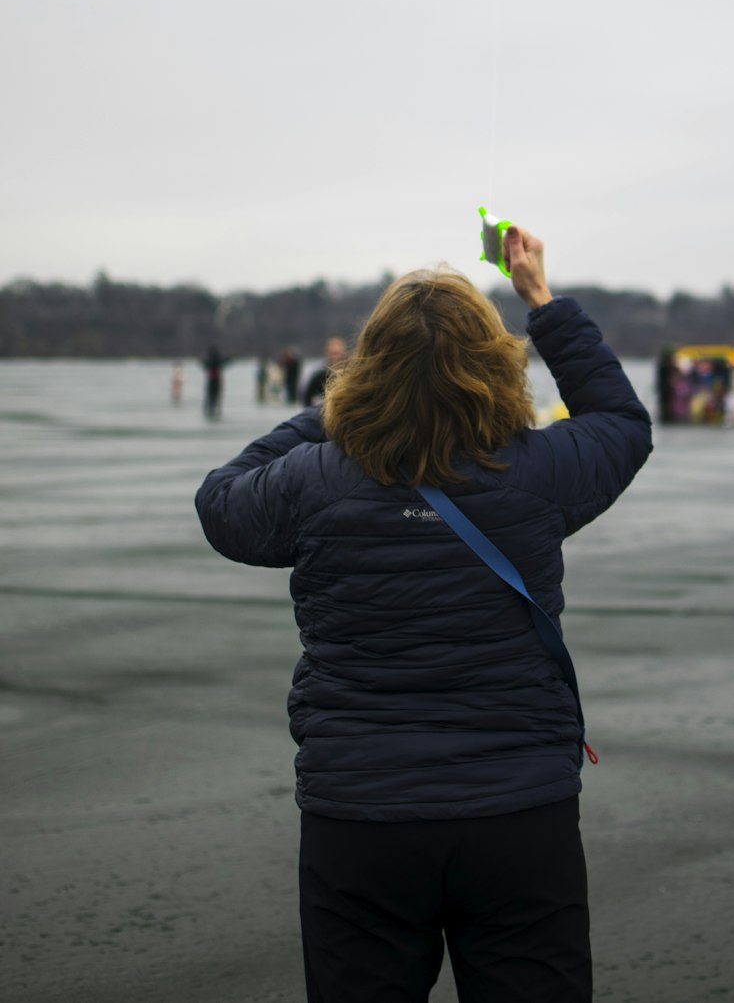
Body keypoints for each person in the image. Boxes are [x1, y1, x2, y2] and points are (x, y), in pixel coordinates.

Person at [195, 227, 652, 1003]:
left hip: (362, 813)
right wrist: (540, 298)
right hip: (520, 810)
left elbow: (223, 499)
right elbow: (621, 421)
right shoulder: (535, 473)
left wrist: (344, 405)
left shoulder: (316, 482)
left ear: (368, 370)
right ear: (493, 366)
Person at [301, 335, 347, 406]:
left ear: (343, 353)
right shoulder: (318, 378)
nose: (335, 357)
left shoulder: (349, 376)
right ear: (327, 353)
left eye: (337, 353)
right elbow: (307, 400)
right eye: (332, 353)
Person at [200, 346, 228, 419]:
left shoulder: (210, 360)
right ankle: (214, 409)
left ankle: (210, 409)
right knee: (215, 396)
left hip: (212, 380)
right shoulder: (217, 359)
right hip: (216, 380)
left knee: (211, 396)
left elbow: (204, 365)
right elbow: (224, 362)